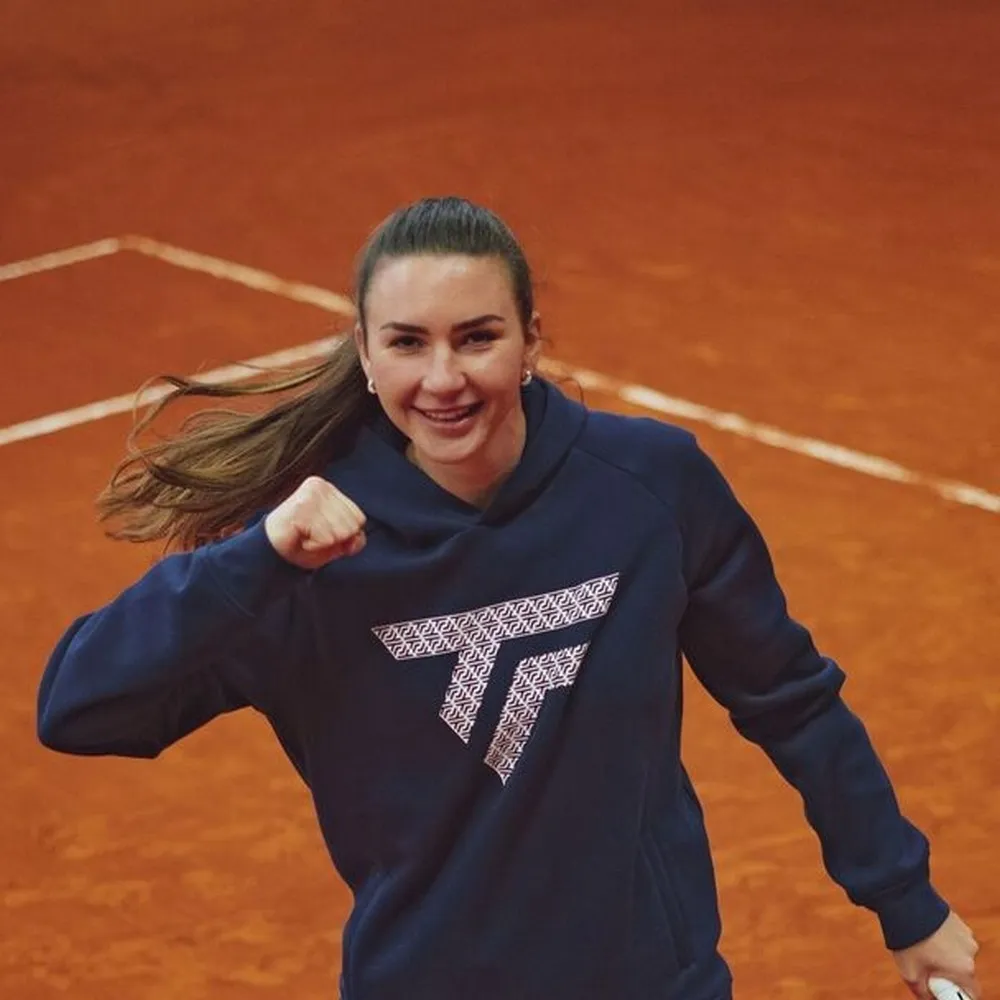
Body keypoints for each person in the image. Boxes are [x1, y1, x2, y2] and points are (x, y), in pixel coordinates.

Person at [37, 196, 979, 1000]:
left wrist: (906, 901)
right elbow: (79, 709)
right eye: (408, 343)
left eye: (477, 337)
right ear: (364, 353)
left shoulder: (650, 490)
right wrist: (256, 561)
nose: (443, 379)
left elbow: (792, 700)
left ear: (530, 340)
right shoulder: (302, 559)